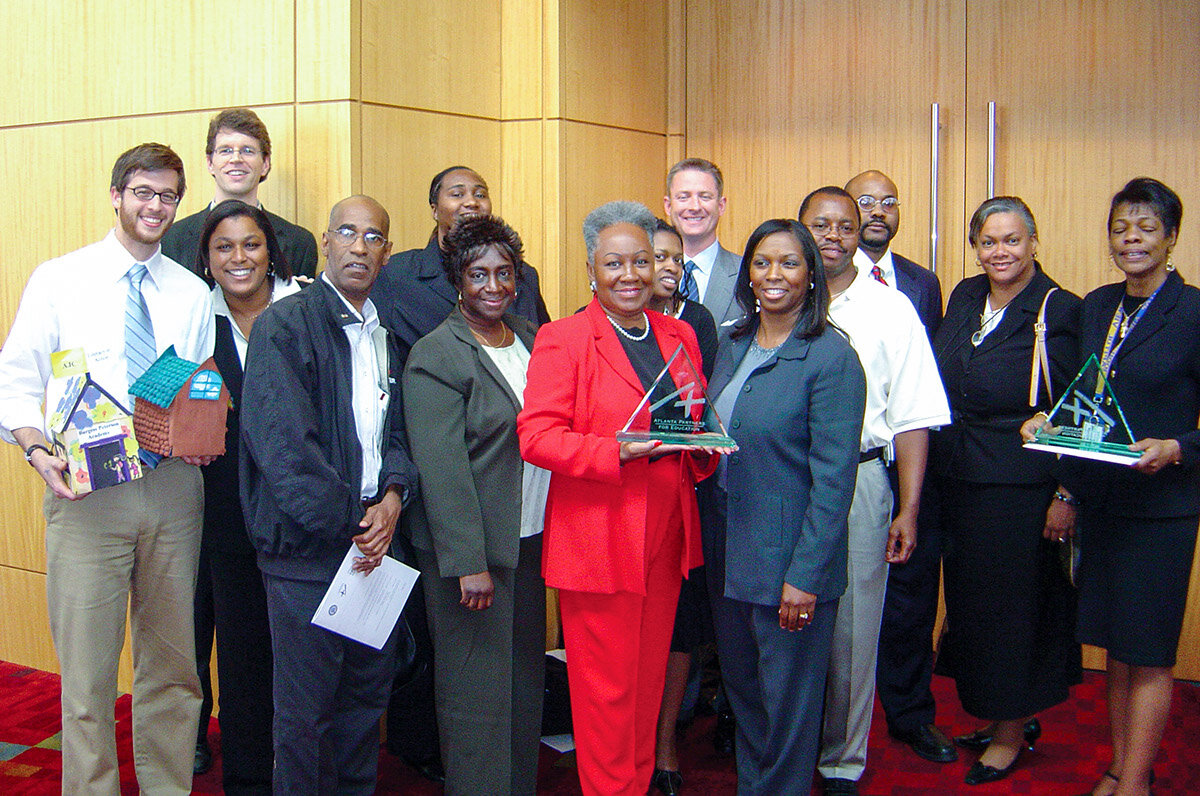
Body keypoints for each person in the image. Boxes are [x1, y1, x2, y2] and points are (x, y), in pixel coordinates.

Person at [0, 142, 215, 794]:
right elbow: (14, 383)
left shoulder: (192, 290)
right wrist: (39, 452)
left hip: (174, 488)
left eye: (168, 196)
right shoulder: (59, 278)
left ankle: (167, 786)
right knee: (89, 674)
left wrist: (201, 431)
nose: (155, 206)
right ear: (117, 195)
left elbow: (197, 386)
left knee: (174, 666)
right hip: (86, 489)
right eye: (144, 192)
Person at [517, 201, 723, 796]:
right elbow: (536, 436)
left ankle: (632, 785)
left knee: (646, 682)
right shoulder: (564, 339)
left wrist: (709, 442)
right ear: (591, 270)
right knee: (605, 693)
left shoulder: (678, 334)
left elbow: (690, 420)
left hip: (665, 537)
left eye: (643, 260)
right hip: (599, 538)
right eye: (615, 263)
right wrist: (615, 451)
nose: (630, 274)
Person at [1022, 178, 1200, 796]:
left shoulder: (1193, 311)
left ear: (1171, 237)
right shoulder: (1097, 307)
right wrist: (1048, 422)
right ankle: (1123, 766)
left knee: (1148, 649)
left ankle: (1136, 784)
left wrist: (1178, 447)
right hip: (1104, 503)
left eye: (1147, 227)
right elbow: (1082, 399)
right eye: (1122, 227)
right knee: (1116, 648)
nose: (1132, 238)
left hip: (1163, 509)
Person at [239, 195, 418, 793]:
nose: (360, 246)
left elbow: (395, 434)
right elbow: (286, 452)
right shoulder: (284, 325)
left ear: (386, 253)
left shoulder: (384, 334)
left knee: (365, 707)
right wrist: (356, 524)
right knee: (305, 718)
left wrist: (392, 499)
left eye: (374, 236)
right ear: (326, 240)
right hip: (309, 554)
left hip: (375, 548)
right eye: (348, 232)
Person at [703, 218, 865, 796]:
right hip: (727, 553)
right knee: (745, 694)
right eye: (763, 262)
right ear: (748, 271)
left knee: (789, 705)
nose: (775, 275)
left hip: (788, 563)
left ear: (811, 274)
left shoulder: (831, 357)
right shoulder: (732, 342)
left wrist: (807, 577)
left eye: (789, 263)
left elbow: (833, 482)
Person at [799, 186, 950, 796]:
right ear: (800, 228)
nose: (832, 235)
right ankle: (787, 744)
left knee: (854, 630)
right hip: (782, 479)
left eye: (845, 225)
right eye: (819, 224)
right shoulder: (772, 298)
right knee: (780, 618)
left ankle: (842, 761)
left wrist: (908, 509)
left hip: (861, 478)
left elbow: (914, 415)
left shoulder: (892, 310)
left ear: (861, 233)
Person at [928, 196, 1082, 785]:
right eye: (989, 241)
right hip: (960, 478)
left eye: (1012, 240)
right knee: (974, 608)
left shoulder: (1056, 308)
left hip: (1022, 487)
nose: (1001, 252)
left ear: (1034, 242)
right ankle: (998, 715)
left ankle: (1013, 731)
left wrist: (1067, 494)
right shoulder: (966, 295)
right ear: (976, 246)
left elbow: (1077, 410)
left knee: (1016, 610)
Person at [402, 215, 548, 796]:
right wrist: (468, 563)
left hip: (529, 540)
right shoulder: (436, 354)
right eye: (478, 273)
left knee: (521, 688)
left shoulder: (533, 338)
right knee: (475, 701)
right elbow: (442, 470)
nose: (493, 285)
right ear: (457, 281)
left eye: (504, 273)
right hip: (473, 556)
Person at [842, 169, 953, 764]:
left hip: (901, 464)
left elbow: (918, 385)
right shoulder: (814, 279)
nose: (878, 212)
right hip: (841, 469)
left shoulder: (920, 283)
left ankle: (909, 715)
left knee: (909, 602)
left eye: (889, 201)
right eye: (866, 202)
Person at [193, 199, 302, 793]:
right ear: (206, 259)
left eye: (251, 244)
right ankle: (250, 781)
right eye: (224, 247)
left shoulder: (306, 309)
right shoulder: (192, 319)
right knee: (241, 661)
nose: (239, 258)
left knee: (307, 663)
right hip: (226, 517)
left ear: (271, 250)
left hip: (302, 516)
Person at [647, 218, 719, 794]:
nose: (667, 267)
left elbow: (706, 409)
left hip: (683, 493)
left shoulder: (697, 324)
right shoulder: (590, 326)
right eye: (655, 256)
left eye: (675, 258)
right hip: (618, 501)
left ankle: (666, 742)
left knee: (679, 628)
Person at [372, 165, 551, 363]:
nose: (472, 202)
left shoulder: (522, 274)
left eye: (480, 195)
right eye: (457, 194)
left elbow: (545, 346)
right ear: (435, 210)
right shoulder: (397, 274)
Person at [162, 108, 318, 279]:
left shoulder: (299, 243)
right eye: (225, 150)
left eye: (247, 151)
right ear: (210, 163)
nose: (236, 159)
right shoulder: (172, 239)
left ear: (265, 163)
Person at [663, 158, 742, 328]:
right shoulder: (645, 274)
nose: (694, 207)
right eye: (684, 197)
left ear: (721, 206)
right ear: (668, 206)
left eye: (704, 197)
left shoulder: (745, 273)